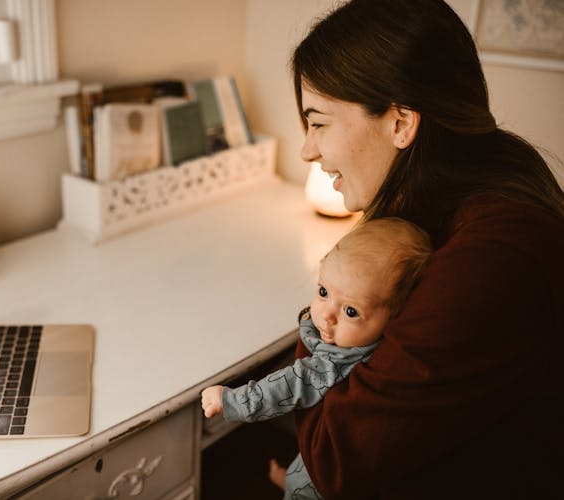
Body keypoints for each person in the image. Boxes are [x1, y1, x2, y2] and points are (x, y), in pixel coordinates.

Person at [284, 0, 564, 497]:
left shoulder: (491, 258)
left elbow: (335, 458)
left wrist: (322, 312)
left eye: (319, 122)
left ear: (400, 122)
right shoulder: (465, 200)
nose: (308, 149)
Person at [201, 217, 432, 500]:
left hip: (327, 484)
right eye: (323, 292)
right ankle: (292, 479)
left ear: (395, 317)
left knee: (308, 483)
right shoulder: (375, 344)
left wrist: (231, 401)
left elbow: (287, 387)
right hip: (341, 456)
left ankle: (294, 488)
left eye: (351, 311)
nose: (326, 314)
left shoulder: (336, 362)